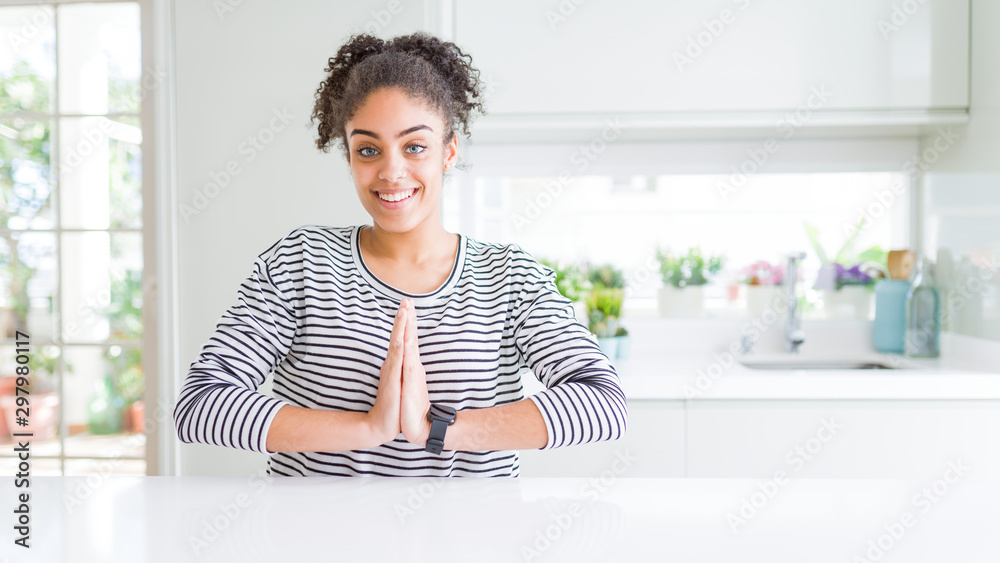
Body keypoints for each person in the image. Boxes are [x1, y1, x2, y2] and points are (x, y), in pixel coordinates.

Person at [172, 31, 628, 477]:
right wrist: (368, 428)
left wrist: (436, 429)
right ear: (349, 158)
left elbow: (604, 403)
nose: (391, 171)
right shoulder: (300, 264)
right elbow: (200, 406)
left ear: (448, 152)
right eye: (368, 149)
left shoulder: (511, 277)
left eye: (414, 146)